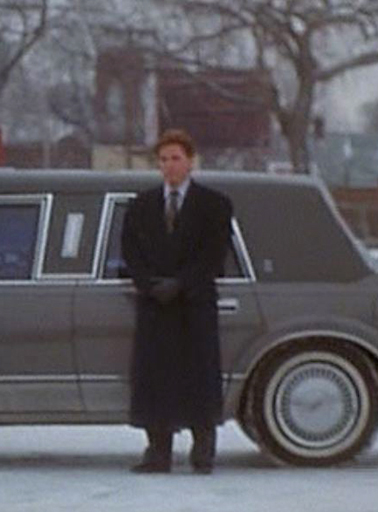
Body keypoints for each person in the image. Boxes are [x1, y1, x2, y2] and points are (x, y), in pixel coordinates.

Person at [121, 129, 232, 475]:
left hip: (195, 305)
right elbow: (130, 251)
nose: (169, 166)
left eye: (176, 158)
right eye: (164, 159)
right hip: (155, 306)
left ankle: (203, 451)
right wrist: (149, 284)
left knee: (199, 377)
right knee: (155, 379)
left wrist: (181, 283)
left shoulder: (214, 204)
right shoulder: (141, 205)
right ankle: (158, 452)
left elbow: (214, 254)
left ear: (191, 161)